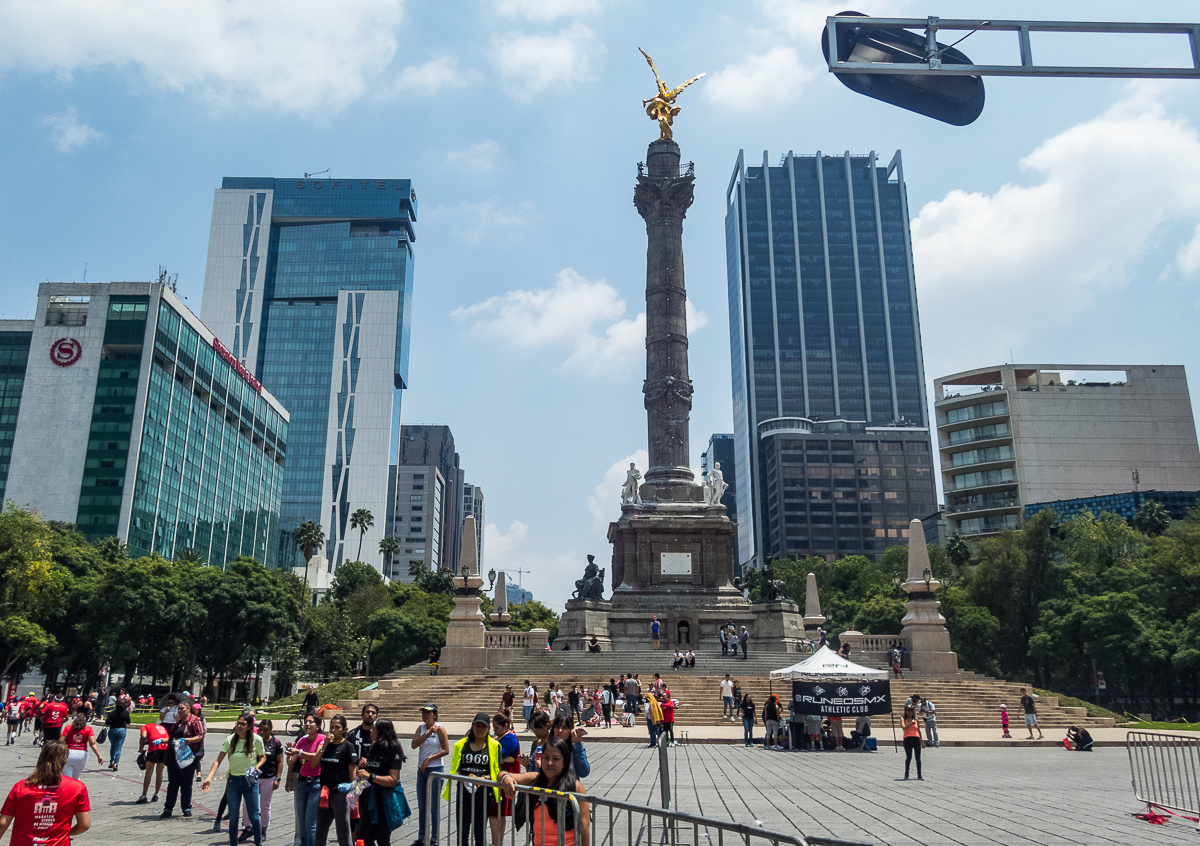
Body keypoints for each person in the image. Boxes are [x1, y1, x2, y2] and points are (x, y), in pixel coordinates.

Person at [499, 736, 590, 846]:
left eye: (556, 759)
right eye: (546, 758)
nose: (550, 763)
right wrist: (505, 778)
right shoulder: (536, 779)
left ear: (565, 761)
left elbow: (584, 828)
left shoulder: (576, 787)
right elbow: (502, 775)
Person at [0, 741, 91, 844]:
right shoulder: (77, 788)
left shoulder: (21, 786)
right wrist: (65, 833)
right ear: (65, 761)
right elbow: (84, 824)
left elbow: (3, 822)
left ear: (40, 759)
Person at [200, 712, 267, 846]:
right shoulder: (230, 739)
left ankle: (258, 843)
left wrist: (256, 767)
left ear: (249, 726)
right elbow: (218, 760)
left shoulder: (257, 739)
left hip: (250, 781)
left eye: (243, 724)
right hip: (233, 781)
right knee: (234, 818)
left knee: (254, 816)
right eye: (238, 723)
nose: (239, 726)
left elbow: (263, 757)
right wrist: (208, 778)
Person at [444, 713, 501, 846]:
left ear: (488, 729)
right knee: (462, 832)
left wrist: (482, 779)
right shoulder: (461, 745)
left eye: (483, 726)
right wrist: (459, 775)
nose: (479, 729)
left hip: (484, 793)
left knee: (480, 832)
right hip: (464, 793)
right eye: (477, 725)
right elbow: (456, 767)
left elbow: (496, 771)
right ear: (472, 726)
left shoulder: (494, 746)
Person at [354, 718, 406, 846]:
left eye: (374, 729)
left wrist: (370, 776)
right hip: (370, 797)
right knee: (364, 836)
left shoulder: (393, 749)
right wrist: (365, 767)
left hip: (385, 799)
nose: (371, 730)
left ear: (382, 732)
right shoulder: (374, 747)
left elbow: (393, 780)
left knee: (383, 837)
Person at [311, 715, 357, 846]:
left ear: (344, 729)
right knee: (320, 829)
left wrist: (354, 794)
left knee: (343, 830)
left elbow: (352, 771)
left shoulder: (348, 747)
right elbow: (314, 764)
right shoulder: (326, 747)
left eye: (337, 727)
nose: (333, 730)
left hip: (340, 794)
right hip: (325, 793)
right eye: (331, 727)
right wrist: (324, 745)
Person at [286, 712, 326, 846]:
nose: (307, 724)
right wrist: (289, 753)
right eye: (306, 722)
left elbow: (316, 757)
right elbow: (292, 761)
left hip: (315, 783)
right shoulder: (302, 740)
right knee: (301, 823)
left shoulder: (322, 739)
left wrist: (299, 752)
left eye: (311, 722)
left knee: (310, 823)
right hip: (302, 782)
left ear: (318, 726)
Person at [162, 698, 205, 818]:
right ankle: (168, 808)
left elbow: (201, 735)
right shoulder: (178, 722)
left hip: (187, 757)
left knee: (186, 783)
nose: (180, 711)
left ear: (188, 709)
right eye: (178, 708)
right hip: (173, 757)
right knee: (172, 784)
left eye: (182, 708)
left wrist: (188, 740)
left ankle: (186, 807)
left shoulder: (195, 720)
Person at [412, 703, 448, 846]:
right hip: (422, 771)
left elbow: (446, 750)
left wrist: (429, 759)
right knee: (422, 805)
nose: (425, 715)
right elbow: (414, 745)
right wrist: (427, 733)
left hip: (435, 769)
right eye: (423, 712)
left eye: (429, 713)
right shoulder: (420, 728)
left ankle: (434, 838)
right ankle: (422, 836)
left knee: (433, 806)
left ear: (435, 714)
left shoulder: (440, 729)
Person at [244, 718, 284, 841]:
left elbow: (280, 762)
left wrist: (278, 778)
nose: (262, 732)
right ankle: (247, 828)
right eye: (260, 729)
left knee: (265, 805)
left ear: (271, 730)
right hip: (254, 777)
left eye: (265, 730)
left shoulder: (276, 743)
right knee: (246, 804)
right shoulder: (255, 741)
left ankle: (263, 830)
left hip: (269, 778)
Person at [491, 712, 521, 846]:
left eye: (497, 728)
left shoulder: (510, 738)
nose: (494, 730)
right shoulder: (503, 737)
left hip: (506, 777)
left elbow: (499, 754)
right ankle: (498, 842)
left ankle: (496, 842)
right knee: (498, 812)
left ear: (505, 726)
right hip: (502, 776)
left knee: (495, 812)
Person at [136, 718, 170, 803]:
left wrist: (141, 748)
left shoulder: (145, 726)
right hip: (165, 747)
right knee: (160, 771)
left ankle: (144, 795)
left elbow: (143, 737)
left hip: (155, 747)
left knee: (149, 771)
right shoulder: (162, 727)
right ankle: (156, 794)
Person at [62, 711, 103, 779]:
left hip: (69, 753)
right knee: (76, 777)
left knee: (66, 777)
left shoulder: (68, 728)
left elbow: (61, 741)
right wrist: (99, 756)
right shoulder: (88, 729)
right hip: (82, 754)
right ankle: (77, 789)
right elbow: (92, 743)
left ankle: (68, 788)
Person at [550, 713, 590, 778]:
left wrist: (577, 745)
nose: (560, 731)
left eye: (564, 728)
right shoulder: (545, 748)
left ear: (571, 731)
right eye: (557, 727)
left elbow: (584, 772)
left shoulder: (574, 749)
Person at [103, 698, 131, 771]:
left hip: (112, 730)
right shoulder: (126, 713)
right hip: (122, 730)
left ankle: (112, 761)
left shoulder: (112, 713)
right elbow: (128, 722)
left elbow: (107, 721)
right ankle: (116, 763)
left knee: (113, 746)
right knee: (119, 748)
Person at [902, 705, 922, 780]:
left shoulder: (916, 719)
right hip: (907, 739)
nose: (909, 712)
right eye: (908, 710)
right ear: (906, 711)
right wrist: (910, 723)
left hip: (916, 739)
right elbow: (904, 727)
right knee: (909, 757)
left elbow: (918, 730)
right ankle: (906, 773)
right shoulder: (903, 719)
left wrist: (921, 740)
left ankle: (919, 774)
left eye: (911, 710)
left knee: (918, 758)